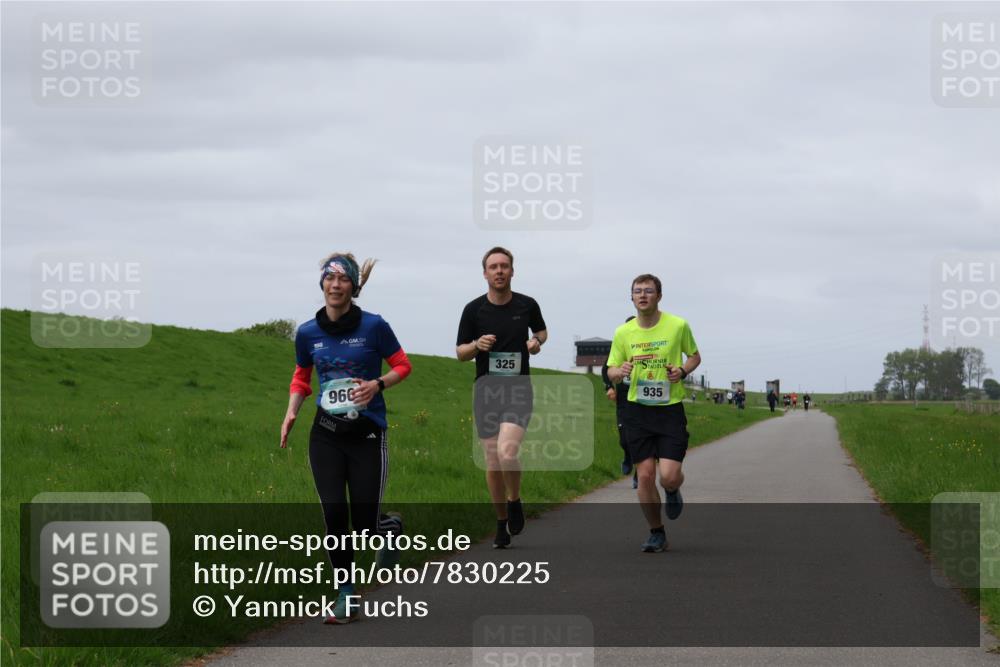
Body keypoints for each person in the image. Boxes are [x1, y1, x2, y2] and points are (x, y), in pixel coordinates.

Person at [280, 252, 413, 624]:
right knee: (335, 513)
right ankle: (345, 594)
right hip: (326, 435)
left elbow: (403, 365)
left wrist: (377, 384)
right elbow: (301, 377)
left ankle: (390, 529)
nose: (335, 285)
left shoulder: (374, 327)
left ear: (354, 287)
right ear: (322, 283)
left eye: (343, 280)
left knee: (366, 526)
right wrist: (292, 410)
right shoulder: (308, 332)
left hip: (368, 433)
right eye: (330, 278)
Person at [456, 247, 547, 549]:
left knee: (507, 452)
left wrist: (535, 342)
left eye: (504, 266)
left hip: (518, 389)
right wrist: (476, 345)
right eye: (493, 267)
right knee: (492, 460)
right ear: (484, 273)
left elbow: (542, 332)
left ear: (512, 271)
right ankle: (500, 522)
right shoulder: (473, 310)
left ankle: (515, 500)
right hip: (486, 391)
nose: (498, 271)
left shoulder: (527, 304)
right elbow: (459, 353)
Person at [607, 274, 701, 553]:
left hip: (670, 411)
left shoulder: (677, 326)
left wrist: (682, 371)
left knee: (668, 476)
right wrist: (619, 371)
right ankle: (656, 532)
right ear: (632, 297)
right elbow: (611, 369)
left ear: (659, 295)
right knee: (645, 476)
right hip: (637, 411)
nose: (643, 295)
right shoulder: (623, 333)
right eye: (638, 291)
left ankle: (672, 490)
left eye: (649, 291)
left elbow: (695, 356)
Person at [601, 316, 639, 489]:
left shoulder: (648, 346)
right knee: (624, 439)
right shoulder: (619, 346)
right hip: (623, 398)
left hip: (642, 399)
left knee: (641, 439)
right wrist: (609, 387)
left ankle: (640, 474)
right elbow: (605, 369)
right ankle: (627, 455)